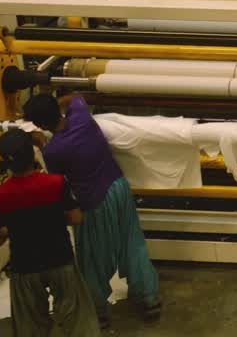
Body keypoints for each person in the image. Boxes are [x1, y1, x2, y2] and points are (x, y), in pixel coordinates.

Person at [24, 92, 161, 327]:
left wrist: (42, 141)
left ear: (40, 125)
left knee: (92, 258)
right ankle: (149, 300)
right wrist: (52, 105)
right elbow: (77, 96)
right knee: (132, 243)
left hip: (94, 201)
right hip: (118, 188)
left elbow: (59, 181)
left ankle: (98, 311)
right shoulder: (82, 118)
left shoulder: (54, 150)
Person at [0, 129, 101, 337]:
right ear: (32, 153)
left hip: (25, 267)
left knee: (30, 326)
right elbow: (76, 218)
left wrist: (10, 227)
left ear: (4, 161)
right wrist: (52, 218)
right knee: (78, 320)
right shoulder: (56, 183)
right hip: (60, 260)